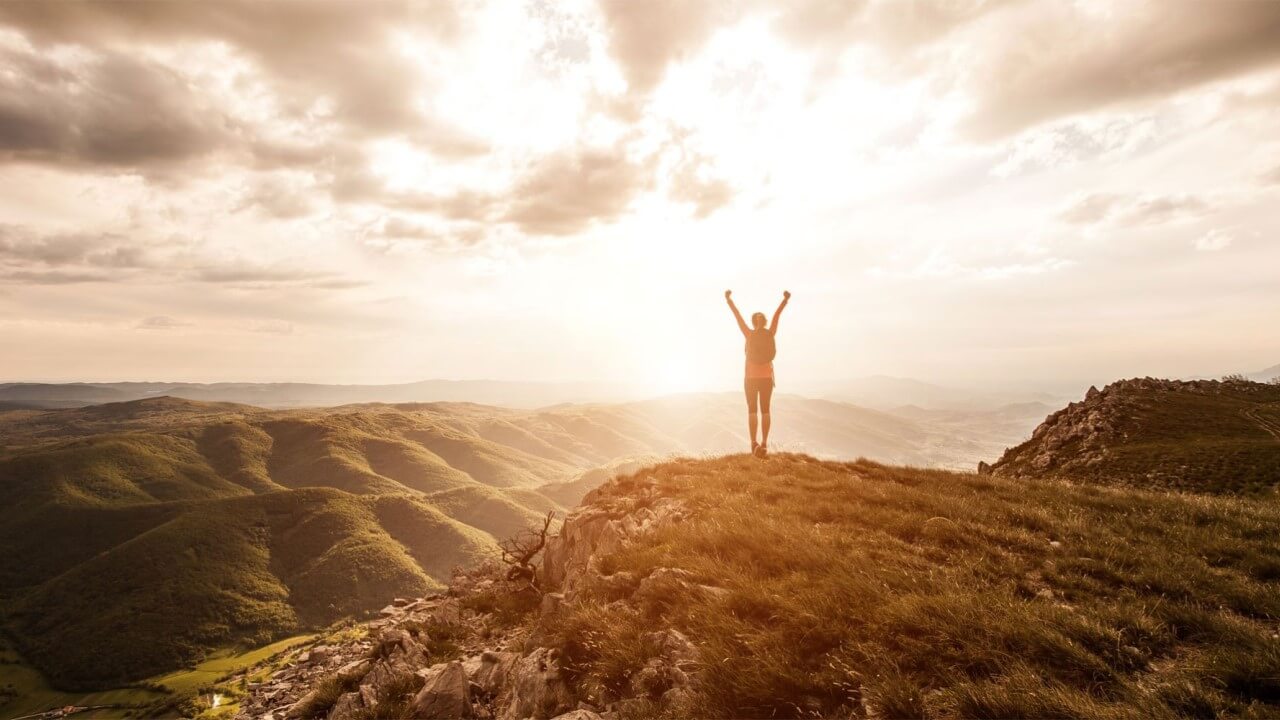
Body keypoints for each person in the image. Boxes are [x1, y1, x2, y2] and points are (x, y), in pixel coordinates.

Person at [725, 289, 790, 457]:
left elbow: (737, 315)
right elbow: (778, 315)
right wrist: (785, 300)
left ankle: (753, 443)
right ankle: (764, 443)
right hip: (767, 377)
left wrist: (729, 300)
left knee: (752, 410)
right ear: (765, 321)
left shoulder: (748, 333)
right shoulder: (771, 332)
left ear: (753, 322)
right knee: (766, 410)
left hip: (751, 378)